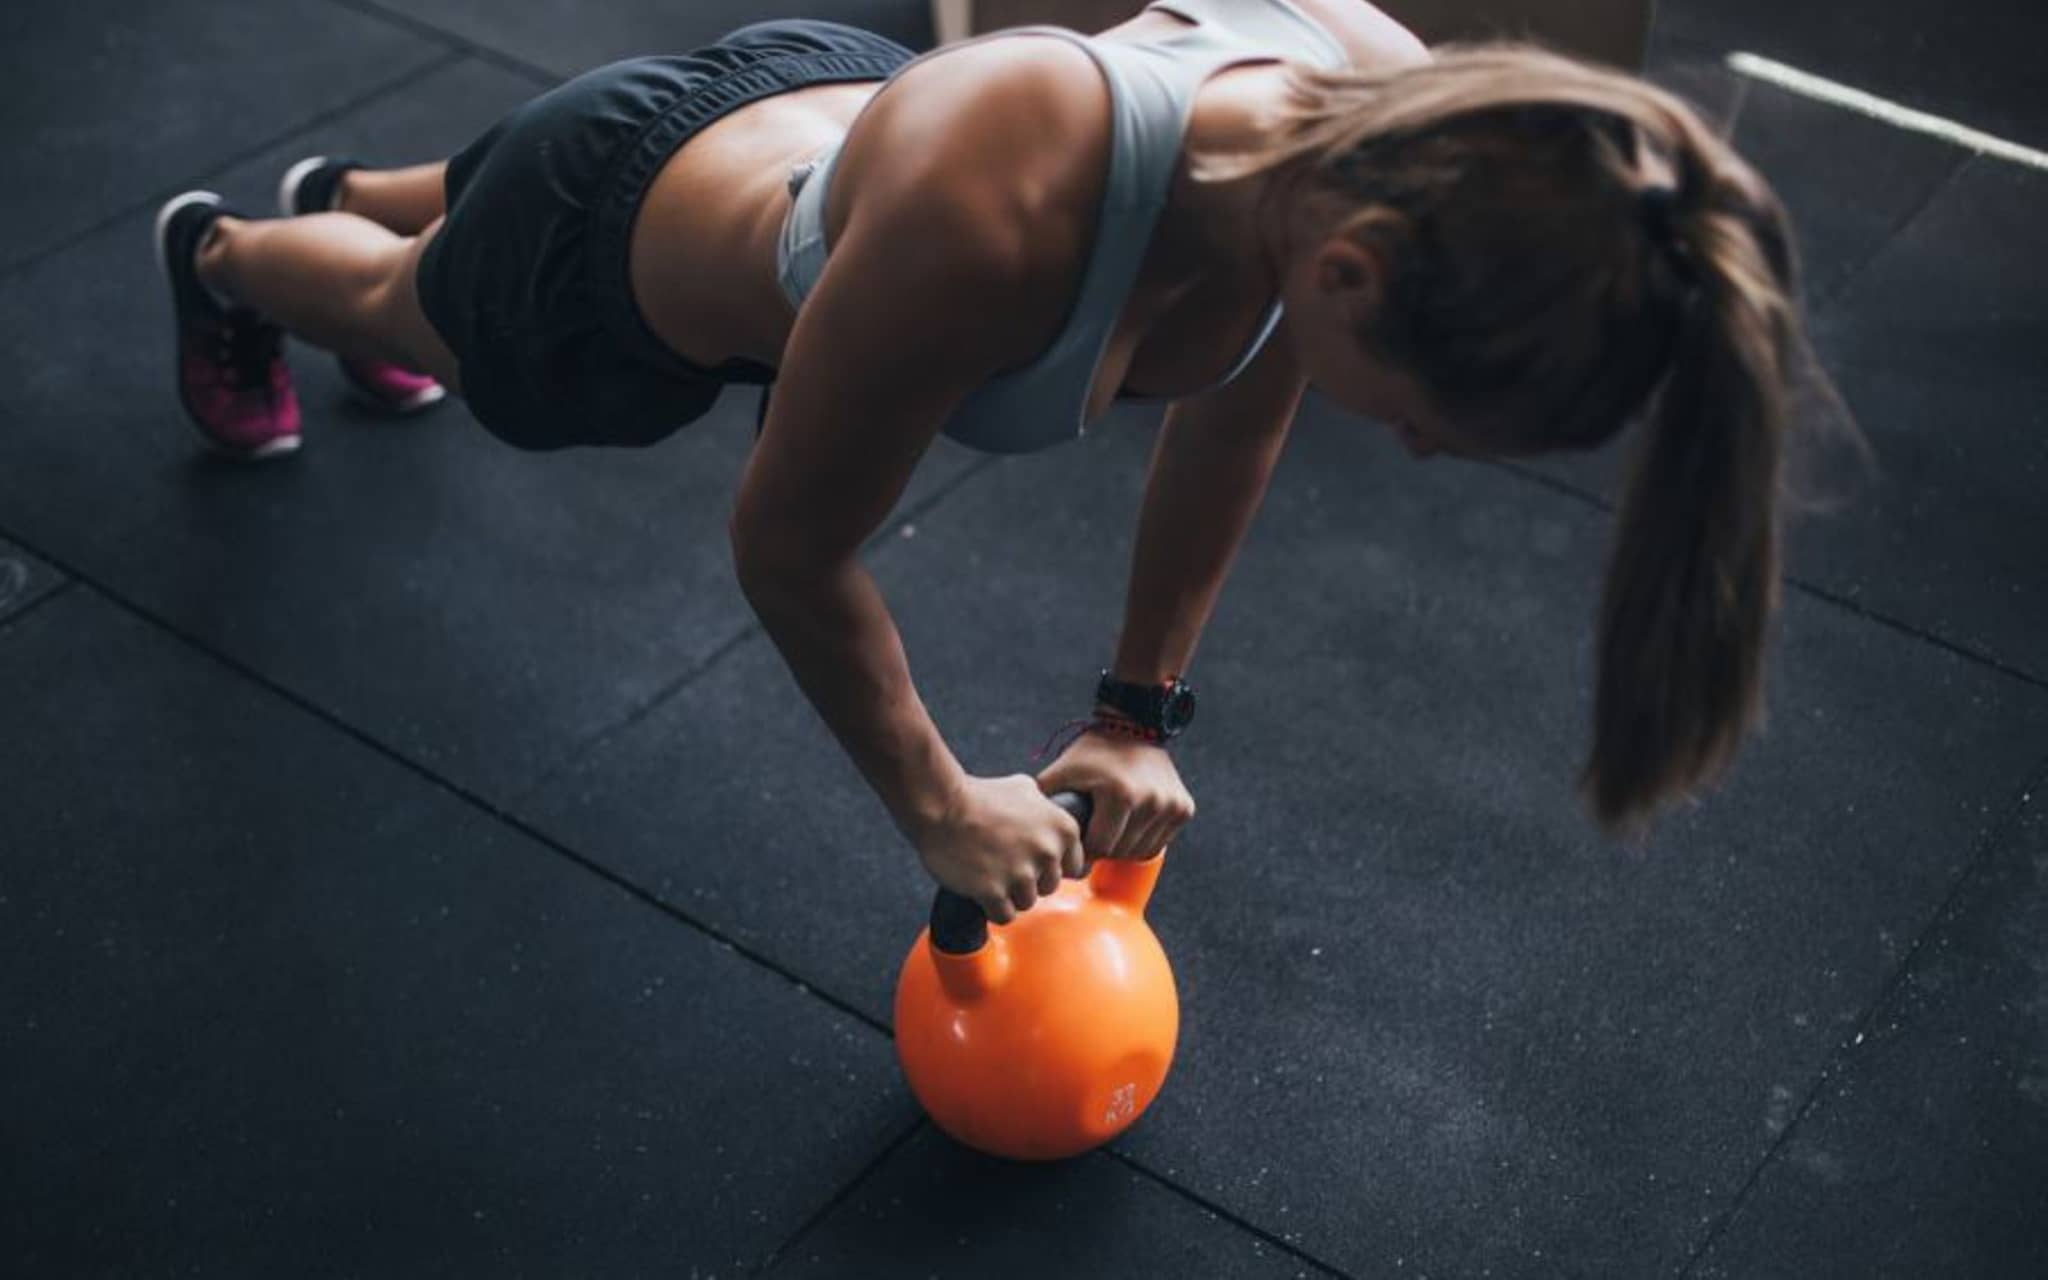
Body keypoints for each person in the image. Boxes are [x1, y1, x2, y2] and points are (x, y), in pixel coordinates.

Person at [150, 1, 1842, 924]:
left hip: (799, 127)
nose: (1401, 443)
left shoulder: (1381, 115)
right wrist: (941, 801)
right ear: (1356, 283)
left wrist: (1136, 710)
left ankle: (367, 181)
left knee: (511, 170)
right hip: (622, 267)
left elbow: (1239, 405)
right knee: (412, 300)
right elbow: (787, 546)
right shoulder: (1004, 220)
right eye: (1424, 419)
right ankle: (227, 256)